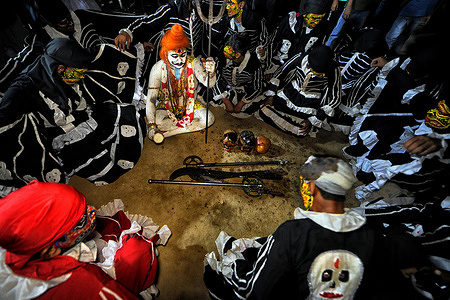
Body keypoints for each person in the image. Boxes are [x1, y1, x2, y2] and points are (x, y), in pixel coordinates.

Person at [203, 155, 424, 299]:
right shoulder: (371, 234)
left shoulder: (293, 234)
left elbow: (253, 292)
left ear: (312, 187)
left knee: (236, 269)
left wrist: (234, 268)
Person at [0, 38, 146, 196]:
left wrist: (135, 47)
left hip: (82, 116)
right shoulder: (21, 91)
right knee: (105, 169)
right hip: (63, 137)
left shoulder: (60, 65)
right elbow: (6, 124)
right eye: (79, 72)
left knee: (128, 116)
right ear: (60, 68)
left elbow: (96, 53)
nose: (81, 76)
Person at [0, 180, 170, 299]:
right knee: (136, 252)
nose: (93, 210)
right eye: (80, 221)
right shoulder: (89, 288)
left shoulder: (10, 234)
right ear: (50, 250)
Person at [342, 44, 449, 202]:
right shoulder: (407, 64)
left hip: (419, 125)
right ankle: (365, 147)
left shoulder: (436, 87)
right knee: (380, 119)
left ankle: (377, 171)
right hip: (398, 107)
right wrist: (392, 67)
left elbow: (422, 110)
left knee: (402, 145)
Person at [145, 24, 216, 142]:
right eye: (174, 56)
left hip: (190, 102)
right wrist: (152, 125)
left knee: (209, 118)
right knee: (155, 120)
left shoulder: (193, 62)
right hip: (166, 105)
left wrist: (211, 72)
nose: (179, 60)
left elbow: (209, 84)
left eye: (183, 55)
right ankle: (190, 126)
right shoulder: (158, 68)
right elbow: (151, 99)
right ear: (166, 54)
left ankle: (168, 134)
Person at [256, 45, 342, 137]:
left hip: (310, 101)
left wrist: (313, 119)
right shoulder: (301, 58)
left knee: (302, 130)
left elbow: (335, 98)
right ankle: (292, 128)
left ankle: (294, 128)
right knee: (263, 108)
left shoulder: (334, 70)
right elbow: (281, 71)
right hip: (291, 92)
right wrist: (271, 94)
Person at [259, 0, 333, 78]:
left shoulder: (319, 30)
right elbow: (272, 42)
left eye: (319, 19)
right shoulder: (289, 22)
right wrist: (265, 55)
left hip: (297, 68)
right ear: (304, 14)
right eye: (313, 18)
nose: (316, 23)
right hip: (277, 62)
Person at [211, 32, 265, 116]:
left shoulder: (254, 62)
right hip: (225, 88)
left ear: (237, 54)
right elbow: (215, 77)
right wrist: (225, 101)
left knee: (255, 104)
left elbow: (257, 86)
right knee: (209, 93)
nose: (226, 51)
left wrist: (241, 103)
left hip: (244, 90)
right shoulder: (222, 57)